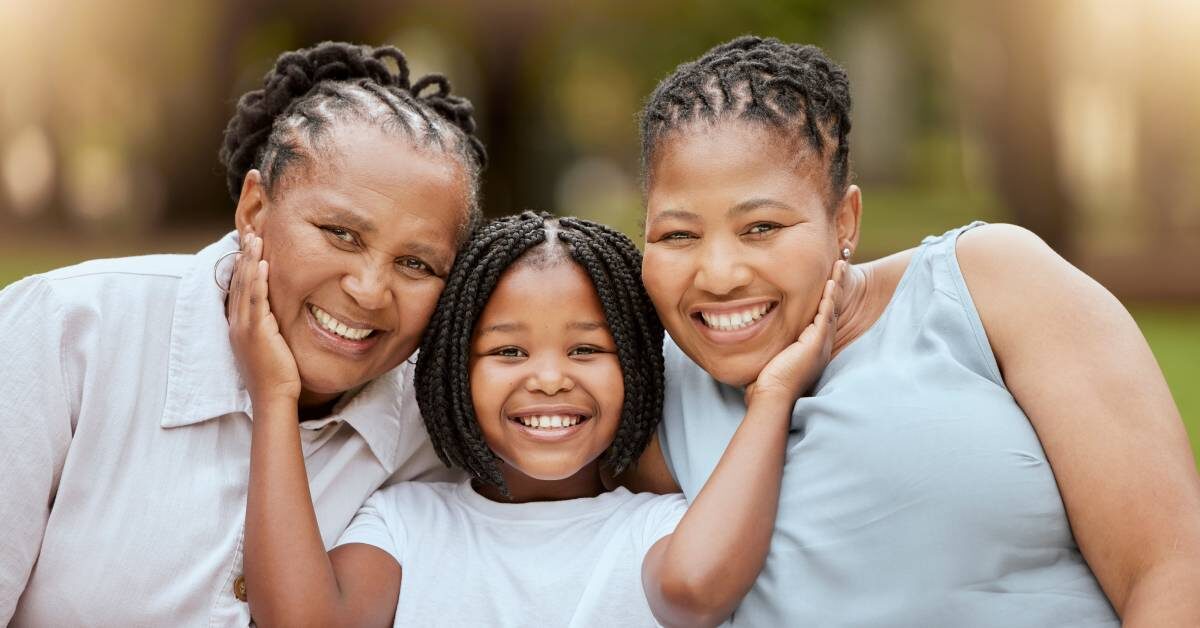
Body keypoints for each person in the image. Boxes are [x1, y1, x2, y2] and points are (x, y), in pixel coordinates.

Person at [621, 35, 1200, 626]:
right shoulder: (650, 391)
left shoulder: (988, 284)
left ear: (843, 220)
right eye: (677, 236)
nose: (718, 276)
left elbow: (1170, 568)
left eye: (762, 227)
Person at [0, 41, 486, 626]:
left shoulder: (436, 436)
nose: (368, 289)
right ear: (255, 209)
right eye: (341, 233)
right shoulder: (69, 332)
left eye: (416, 264)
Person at [228, 211, 843, 627]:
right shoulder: (405, 523)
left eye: (585, 349)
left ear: (639, 367)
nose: (549, 378)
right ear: (450, 371)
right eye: (507, 352)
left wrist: (773, 395)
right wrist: (276, 396)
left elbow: (696, 590)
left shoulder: (663, 528)